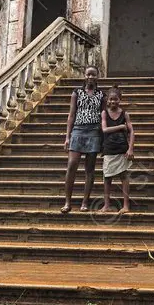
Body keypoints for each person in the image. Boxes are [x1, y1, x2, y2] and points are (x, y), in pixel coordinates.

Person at [62, 66, 103, 213]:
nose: (90, 77)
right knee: (72, 165)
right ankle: (67, 202)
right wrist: (67, 136)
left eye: (93, 75)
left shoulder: (101, 95)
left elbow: (103, 116)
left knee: (90, 169)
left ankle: (85, 202)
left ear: (97, 77)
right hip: (78, 131)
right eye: (88, 74)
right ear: (84, 76)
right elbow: (71, 115)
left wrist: (103, 139)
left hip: (93, 132)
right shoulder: (77, 93)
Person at [100, 86, 135, 213]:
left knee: (124, 176)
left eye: (116, 99)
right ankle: (107, 205)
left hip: (122, 149)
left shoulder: (125, 114)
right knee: (107, 177)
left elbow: (131, 132)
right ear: (107, 100)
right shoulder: (104, 113)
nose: (113, 102)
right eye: (111, 99)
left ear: (120, 100)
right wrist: (120, 126)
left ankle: (126, 205)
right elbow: (104, 130)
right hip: (109, 148)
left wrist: (130, 148)